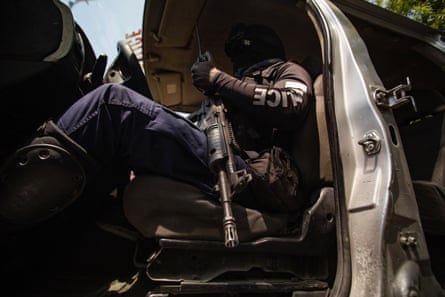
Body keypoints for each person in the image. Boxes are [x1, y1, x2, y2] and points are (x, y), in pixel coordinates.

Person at [0, 23, 313, 233]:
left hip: (251, 177)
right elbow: (192, 126)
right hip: (220, 161)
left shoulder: (285, 70)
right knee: (128, 125)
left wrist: (218, 79)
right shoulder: (227, 95)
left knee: (113, 104)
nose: (240, 62)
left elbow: (291, 105)